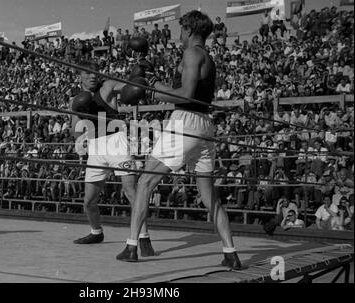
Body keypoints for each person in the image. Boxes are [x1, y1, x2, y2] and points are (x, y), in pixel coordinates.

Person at [117, 11, 244, 269]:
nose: (179, 33)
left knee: (144, 182)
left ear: (188, 29)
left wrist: (152, 85)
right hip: (205, 127)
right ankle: (231, 253)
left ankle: (132, 247)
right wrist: (157, 81)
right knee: (210, 197)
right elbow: (187, 89)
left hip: (185, 122)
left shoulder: (191, 53)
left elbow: (185, 95)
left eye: (181, 28)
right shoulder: (205, 57)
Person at [70, 61, 154, 256]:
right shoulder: (75, 99)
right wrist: (79, 130)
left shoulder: (107, 86)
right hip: (95, 147)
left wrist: (137, 78)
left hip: (117, 141)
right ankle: (96, 232)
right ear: (80, 77)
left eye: (95, 73)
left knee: (131, 191)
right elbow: (74, 129)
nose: (92, 77)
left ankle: (143, 236)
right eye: (88, 74)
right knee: (89, 201)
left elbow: (127, 87)